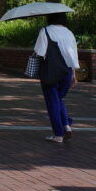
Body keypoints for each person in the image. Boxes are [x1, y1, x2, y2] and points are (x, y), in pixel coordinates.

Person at [35, 14, 79, 142]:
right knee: (59, 99)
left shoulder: (45, 31)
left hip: (51, 72)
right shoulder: (69, 33)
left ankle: (58, 135)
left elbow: (39, 52)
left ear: (50, 18)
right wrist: (74, 75)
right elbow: (74, 55)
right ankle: (66, 125)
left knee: (52, 102)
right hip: (67, 72)